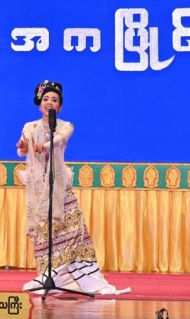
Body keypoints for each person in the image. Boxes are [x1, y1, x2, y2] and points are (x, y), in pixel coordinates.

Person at [16, 80, 129, 296]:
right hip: (39, 187)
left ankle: (85, 280)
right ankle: (48, 275)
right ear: (40, 102)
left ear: (60, 107)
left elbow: (59, 141)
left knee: (72, 230)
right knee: (45, 233)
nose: (50, 102)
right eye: (46, 99)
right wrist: (22, 147)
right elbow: (22, 149)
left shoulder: (66, 126)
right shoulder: (29, 127)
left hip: (59, 185)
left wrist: (44, 145)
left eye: (55, 100)